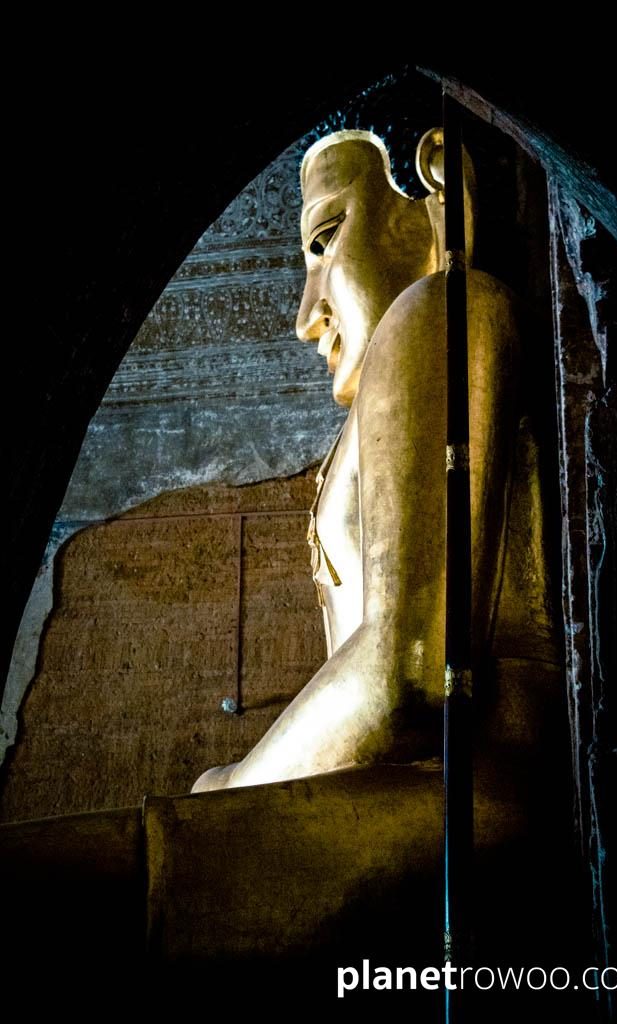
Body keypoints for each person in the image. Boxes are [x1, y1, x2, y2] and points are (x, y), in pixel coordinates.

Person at [193, 130, 550, 832]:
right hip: (406, 795)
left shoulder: (440, 311)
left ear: (442, 194)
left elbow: (406, 677)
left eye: (324, 242)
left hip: (473, 797)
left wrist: (228, 789)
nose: (305, 319)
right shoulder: (408, 347)